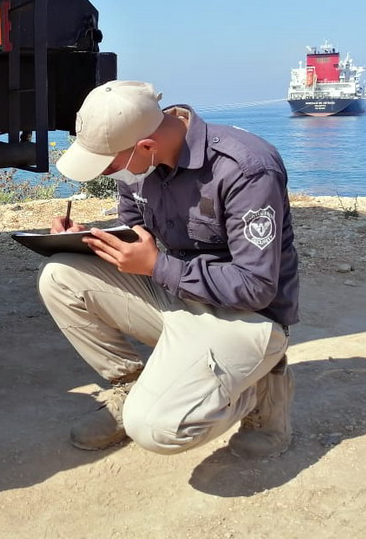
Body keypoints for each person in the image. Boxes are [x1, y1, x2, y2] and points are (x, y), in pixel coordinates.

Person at [38, 80, 299, 457]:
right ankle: (132, 385)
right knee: (60, 275)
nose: (107, 174)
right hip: (176, 292)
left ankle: (258, 393)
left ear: (146, 146)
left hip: (246, 316)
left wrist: (158, 266)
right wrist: (86, 240)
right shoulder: (138, 164)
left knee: (156, 429)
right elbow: (135, 230)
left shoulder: (246, 169)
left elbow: (256, 286)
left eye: (109, 166)